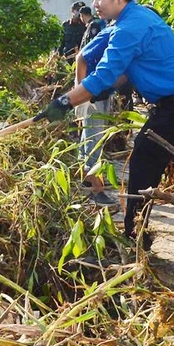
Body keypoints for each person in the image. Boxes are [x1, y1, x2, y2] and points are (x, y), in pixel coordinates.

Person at [35, 0, 174, 244]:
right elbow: (118, 70)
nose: (95, 4)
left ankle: (135, 237)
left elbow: (104, 73)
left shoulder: (130, 27)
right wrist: (104, 88)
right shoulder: (129, 20)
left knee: (142, 163)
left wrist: (65, 102)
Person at [74, 21, 119, 209]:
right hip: (92, 96)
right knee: (95, 142)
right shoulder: (109, 33)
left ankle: (86, 179)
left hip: (102, 94)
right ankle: (96, 191)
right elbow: (80, 58)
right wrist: (81, 92)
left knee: (88, 138)